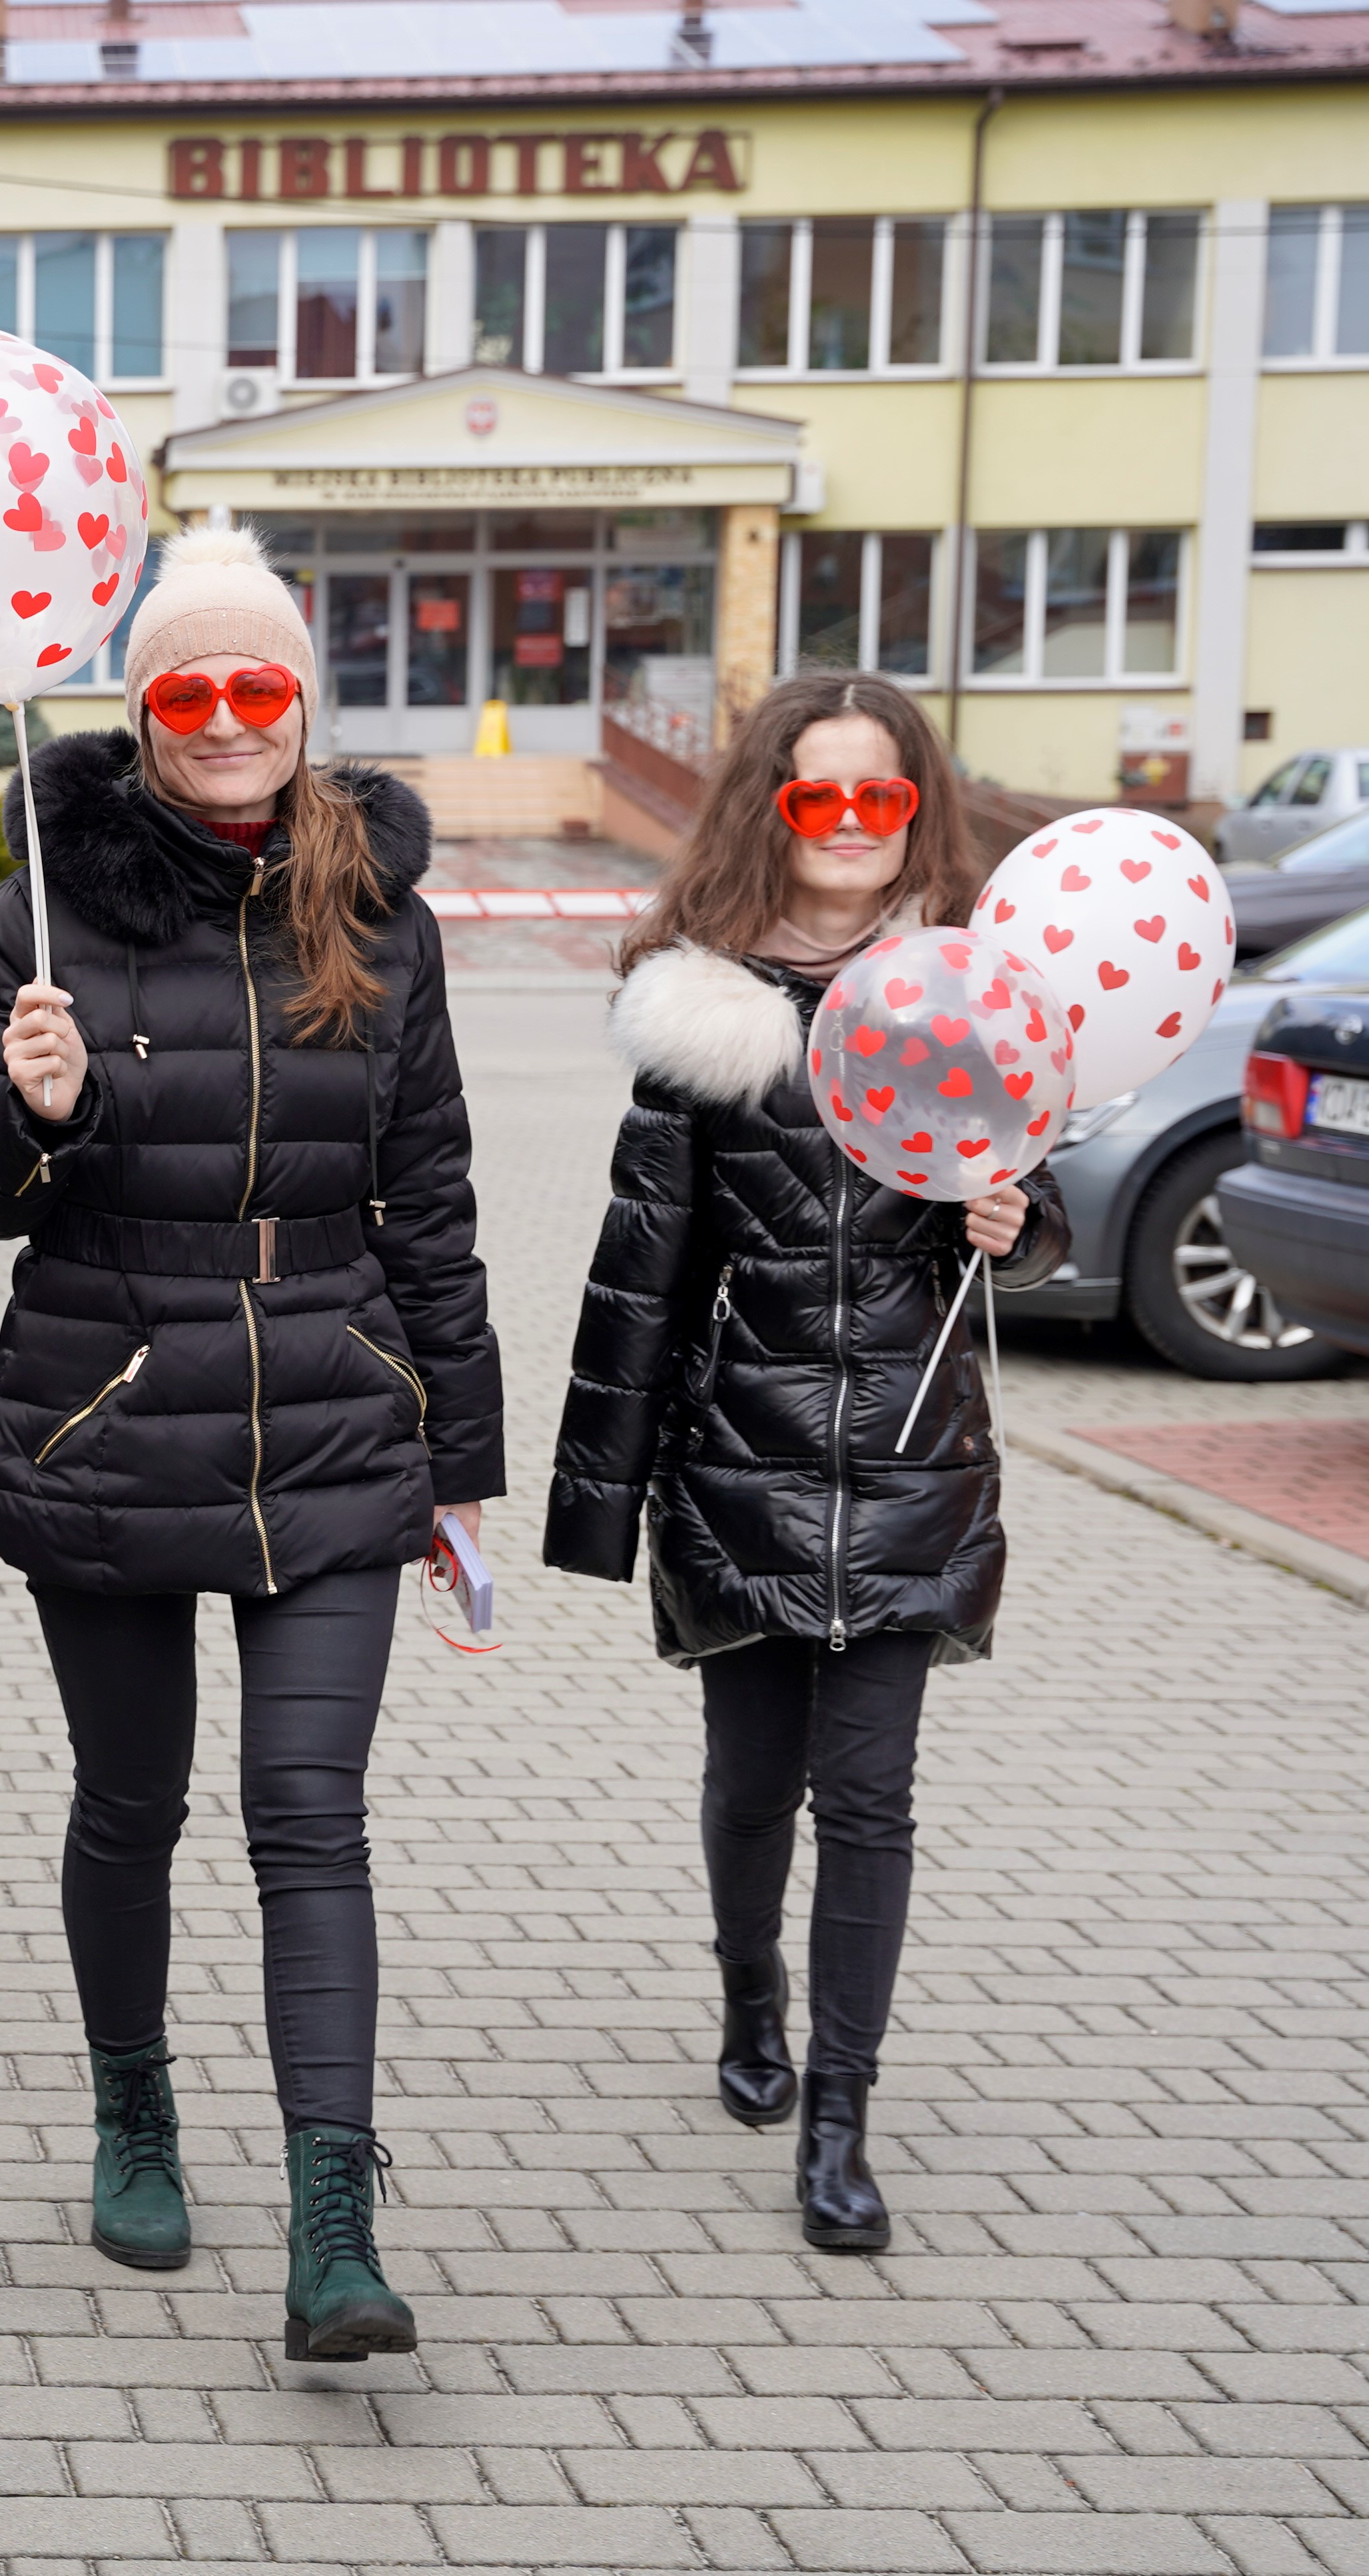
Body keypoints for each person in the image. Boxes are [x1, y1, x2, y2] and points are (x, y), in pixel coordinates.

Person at [0, 527, 502, 2362]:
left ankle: (332, 2219)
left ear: (304, 705)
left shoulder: (379, 918)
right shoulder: (46, 906)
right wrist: (34, 1114)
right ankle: (135, 2111)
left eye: (262, 686)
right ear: (142, 711)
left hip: (337, 1406)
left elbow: (433, 1194)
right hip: (110, 1402)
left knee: (306, 1816)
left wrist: (458, 1461)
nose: (231, 718)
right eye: (192, 690)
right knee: (132, 1803)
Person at [544, 671, 1067, 2254]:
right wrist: (597, 1504)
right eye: (818, 797)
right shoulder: (705, 1016)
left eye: (881, 798)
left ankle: (841, 2119)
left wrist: (1019, 1222)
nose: (850, 826)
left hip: (913, 1459)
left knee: (875, 1797)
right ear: (772, 807)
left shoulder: (972, 993)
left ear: (919, 808)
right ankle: (748, 1990)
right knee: (753, 1781)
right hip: (743, 1463)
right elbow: (640, 1274)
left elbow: (1034, 1215)